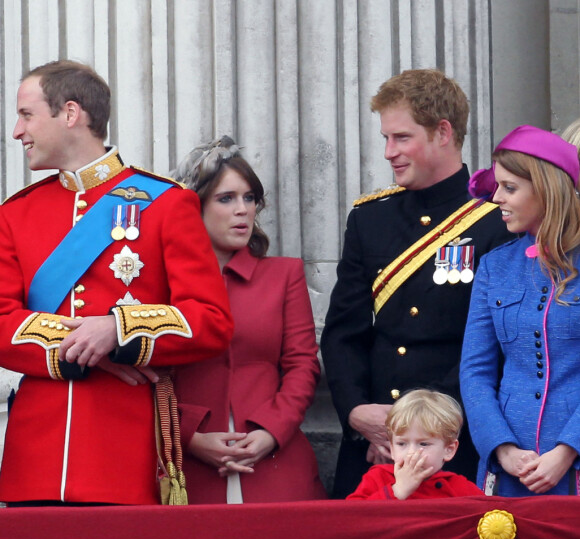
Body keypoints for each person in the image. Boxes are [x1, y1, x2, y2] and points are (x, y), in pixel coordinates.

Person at [0, 60, 234, 506]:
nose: (17, 131)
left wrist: (116, 330)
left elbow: (211, 320)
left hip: (122, 459)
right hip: (34, 462)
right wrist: (82, 348)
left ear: (71, 114)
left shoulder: (166, 204)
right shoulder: (15, 214)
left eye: (26, 115)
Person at [321, 68, 514, 499]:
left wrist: (416, 430)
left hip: (452, 445)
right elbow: (344, 333)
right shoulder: (370, 218)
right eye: (386, 139)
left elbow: (494, 346)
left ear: (442, 132)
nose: (389, 152)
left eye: (401, 138)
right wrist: (356, 413)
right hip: (375, 451)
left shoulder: (496, 219)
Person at [170, 136, 327, 503]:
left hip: (276, 462)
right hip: (188, 468)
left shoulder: (284, 274)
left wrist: (271, 431)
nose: (243, 210)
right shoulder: (163, 284)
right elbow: (148, 378)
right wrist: (188, 438)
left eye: (249, 197)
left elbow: (303, 364)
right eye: (226, 199)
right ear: (195, 207)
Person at [461, 125, 580, 497]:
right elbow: (475, 371)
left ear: (546, 190)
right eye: (497, 186)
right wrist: (502, 447)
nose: (496, 198)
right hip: (510, 471)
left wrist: (567, 450)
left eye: (509, 188)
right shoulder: (495, 266)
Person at [347, 389, 483, 500]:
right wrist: (397, 491)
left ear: (449, 450)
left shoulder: (460, 488)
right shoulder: (377, 478)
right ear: (392, 449)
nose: (411, 452)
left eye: (423, 444)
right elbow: (353, 521)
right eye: (401, 444)